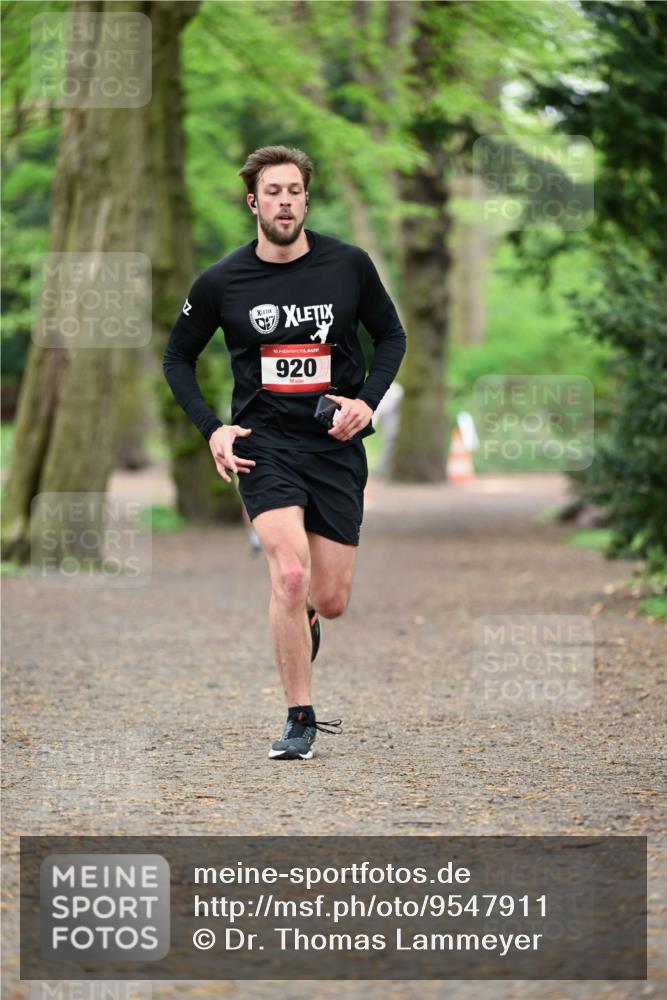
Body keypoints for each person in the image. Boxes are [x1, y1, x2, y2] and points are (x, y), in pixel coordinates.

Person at [163, 145, 406, 760]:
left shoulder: (349, 266)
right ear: (253, 202)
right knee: (288, 574)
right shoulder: (222, 281)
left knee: (330, 598)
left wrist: (368, 403)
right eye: (273, 191)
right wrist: (213, 428)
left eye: (294, 190)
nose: (285, 201)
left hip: (334, 444)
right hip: (263, 445)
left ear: (306, 198)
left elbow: (391, 335)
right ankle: (299, 716)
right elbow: (177, 358)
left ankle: (308, 620)